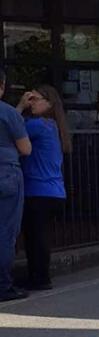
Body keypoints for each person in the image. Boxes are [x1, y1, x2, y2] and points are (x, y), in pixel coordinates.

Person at [17, 85, 71, 290]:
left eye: (35, 99)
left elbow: (11, 126)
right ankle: (38, 275)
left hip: (38, 190)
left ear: (49, 103)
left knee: (35, 236)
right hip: (53, 190)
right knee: (37, 235)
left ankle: (39, 277)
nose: (32, 103)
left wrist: (20, 106)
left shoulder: (40, 125)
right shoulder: (54, 126)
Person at [0, 68, 32, 302]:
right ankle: (3, 285)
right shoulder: (8, 113)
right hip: (6, 173)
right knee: (5, 232)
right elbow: (26, 148)